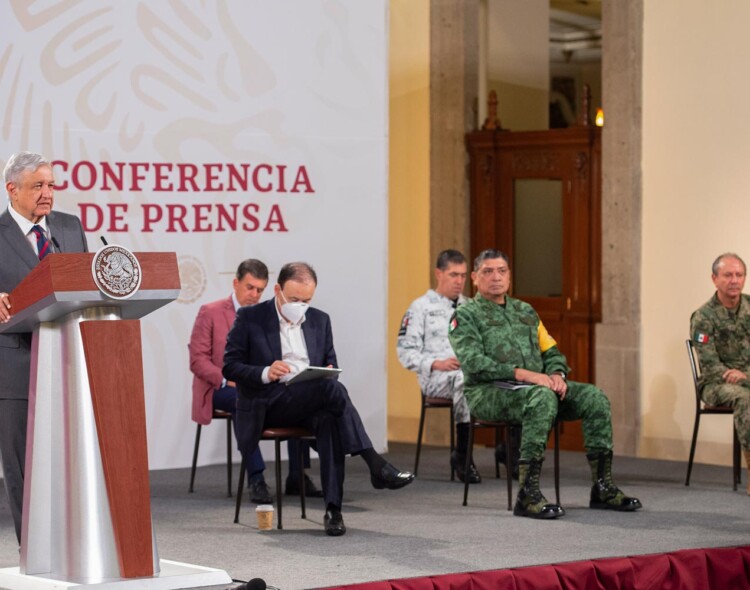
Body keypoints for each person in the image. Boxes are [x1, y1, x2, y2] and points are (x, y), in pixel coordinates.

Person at [223, 262, 415, 536]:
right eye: (293, 299)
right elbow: (230, 366)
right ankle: (375, 463)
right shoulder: (251, 318)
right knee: (332, 393)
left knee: (329, 418)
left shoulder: (320, 320)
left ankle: (333, 510)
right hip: (268, 402)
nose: (300, 305)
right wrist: (266, 371)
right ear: (277, 290)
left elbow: (330, 364)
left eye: (306, 300)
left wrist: (323, 373)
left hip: (308, 400)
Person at [448, 249, 642, 519]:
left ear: (509, 276)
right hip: (489, 392)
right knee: (541, 398)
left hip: (536, 389)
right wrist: (527, 375)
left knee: (594, 397)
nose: (496, 277)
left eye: (502, 271)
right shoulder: (466, 315)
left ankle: (602, 487)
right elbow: (473, 362)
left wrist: (557, 375)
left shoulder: (525, 311)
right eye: (488, 272)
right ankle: (528, 494)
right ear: (475, 278)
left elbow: (550, 350)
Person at [0, 151, 89, 541]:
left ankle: (73, 545)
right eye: (38, 186)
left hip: (68, 359)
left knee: (68, 460)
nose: (48, 194)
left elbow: (86, 283)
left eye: (51, 185)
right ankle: (33, 552)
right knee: (23, 465)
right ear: (12, 189)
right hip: (15, 366)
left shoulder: (68, 228)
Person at [189, 259, 322, 503]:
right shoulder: (211, 312)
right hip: (219, 388)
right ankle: (256, 476)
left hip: (261, 383)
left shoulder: (268, 316)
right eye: (250, 287)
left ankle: (297, 475)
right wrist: (225, 379)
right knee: (242, 400)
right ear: (236, 283)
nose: (254, 294)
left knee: (298, 397)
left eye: (260, 289)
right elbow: (197, 360)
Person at [396, 249, 481, 483]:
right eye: (453, 275)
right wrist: (436, 363)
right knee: (465, 381)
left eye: (463, 275)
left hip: (468, 373)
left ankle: (510, 451)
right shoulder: (420, 307)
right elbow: (405, 352)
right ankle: (463, 457)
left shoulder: (472, 307)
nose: (459, 281)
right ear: (438, 273)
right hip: (435, 378)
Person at [690, 252, 750, 494]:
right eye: (728, 275)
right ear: (714, 279)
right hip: (716, 385)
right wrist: (738, 377)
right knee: (745, 399)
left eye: (739, 275)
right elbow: (710, 364)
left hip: (746, 379)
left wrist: (746, 375)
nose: (734, 280)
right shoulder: (703, 317)